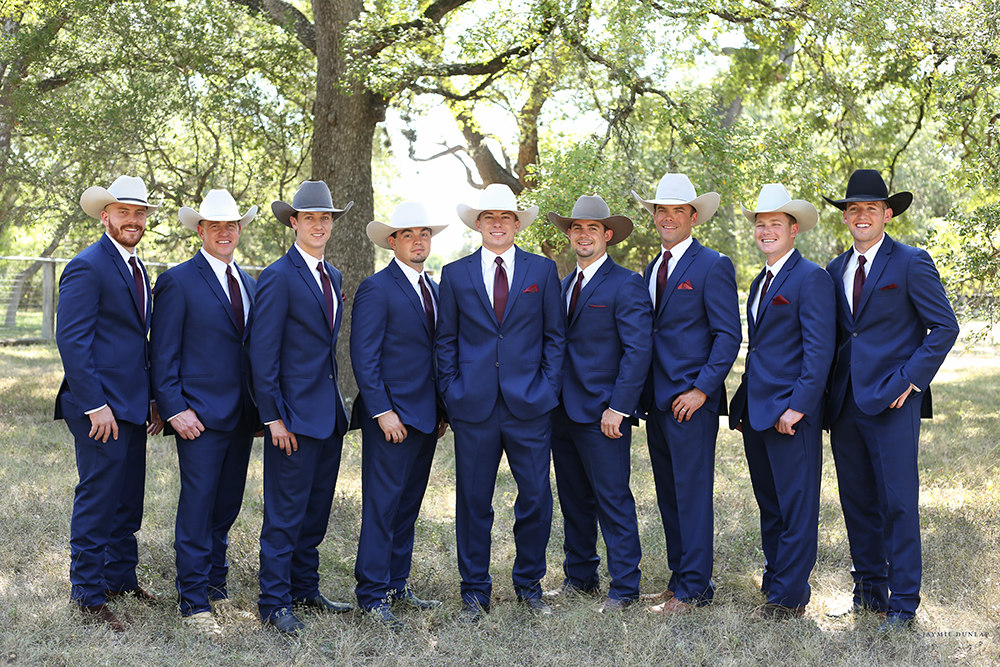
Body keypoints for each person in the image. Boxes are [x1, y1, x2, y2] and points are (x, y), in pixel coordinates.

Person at [824, 169, 958, 632]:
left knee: (898, 503)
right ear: (846, 217)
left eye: (871, 208)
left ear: (887, 214)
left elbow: (944, 327)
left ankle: (903, 605)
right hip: (844, 405)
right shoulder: (835, 268)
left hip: (895, 402)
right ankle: (868, 592)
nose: (861, 215)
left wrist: (911, 379)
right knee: (857, 501)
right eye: (853, 208)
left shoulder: (910, 262)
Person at [436, 183, 566, 622]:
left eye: (505, 217)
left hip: (530, 404)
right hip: (472, 406)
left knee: (535, 498)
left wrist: (547, 388)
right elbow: (446, 340)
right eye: (488, 217)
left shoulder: (542, 272)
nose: (497, 224)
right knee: (474, 502)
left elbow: (555, 337)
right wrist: (451, 391)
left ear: (516, 225)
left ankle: (528, 584)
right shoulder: (454, 274)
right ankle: (474, 591)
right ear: (478, 224)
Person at [56, 175, 164, 632]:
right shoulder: (88, 265)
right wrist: (94, 404)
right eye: (124, 212)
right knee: (99, 498)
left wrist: (153, 399)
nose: (133, 220)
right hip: (98, 409)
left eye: (139, 213)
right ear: (106, 216)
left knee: (127, 501)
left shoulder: (139, 268)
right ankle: (87, 595)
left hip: (133, 405)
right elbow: (72, 340)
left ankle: (120, 578)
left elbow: (139, 342)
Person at [150, 189, 259, 638]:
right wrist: (175, 408)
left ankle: (215, 583)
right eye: (215, 225)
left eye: (232, 225)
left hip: (242, 417)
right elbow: (163, 352)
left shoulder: (251, 282)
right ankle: (193, 600)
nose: (225, 232)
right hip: (197, 417)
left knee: (227, 505)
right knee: (197, 506)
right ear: (200, 230)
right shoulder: (178, 280)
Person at [249, 180, 355, 635]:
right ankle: (273, 602)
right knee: (285, 513)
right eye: (310, 217)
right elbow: (261, 353)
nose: (318, 224)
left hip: (328, 414)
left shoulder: (332, 276)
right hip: (291, 416)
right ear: (293, 222)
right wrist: (272, 417)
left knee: (315, 511)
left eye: (325, 218)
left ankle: (305, 589)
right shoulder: (277, 276)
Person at [633, 173, 741, 614]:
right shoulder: (652, 267)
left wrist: (701, 389)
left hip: (691, 403)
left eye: (678, 210)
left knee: (691, 493)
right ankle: (679, 579)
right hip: (656, 400)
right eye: (662, 210)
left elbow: (727, 335)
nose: (668, 217)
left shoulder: (713, 264)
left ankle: (696, 588)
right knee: (669, 494)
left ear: (693, 216)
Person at [728, 184, 835, 620]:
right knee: (770, 505)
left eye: (775, 224)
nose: (766, 231)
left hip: (792, 413)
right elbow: (761, 351)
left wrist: (799, 405)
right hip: (759, 413)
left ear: (794, 230)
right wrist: (741, 402)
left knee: (796, 508)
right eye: (761, 224)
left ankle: (790, 599)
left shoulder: (811, 277)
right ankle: (776, 582)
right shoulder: (760, 280)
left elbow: (819, 349)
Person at [544, 195, 652, 612]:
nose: (583, 235)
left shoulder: (626, 283)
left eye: (592, 228)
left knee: (612, 498)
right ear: (570, 235)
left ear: (607, 235)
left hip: (605, 413)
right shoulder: (564, 283)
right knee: (573, 498)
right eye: (576, 228)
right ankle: (581, 576)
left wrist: (619, 407)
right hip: (561, 412)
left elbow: (638, 351)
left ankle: (625, 587)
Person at [350, 202, 449, 629]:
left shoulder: (437, 288)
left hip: (427, 418)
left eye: (424, 234)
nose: (418, 241)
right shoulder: (377, 288)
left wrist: (443, 411)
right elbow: (363, 357)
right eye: (408, 235)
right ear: (393, 241)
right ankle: (371, 594)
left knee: (407, 506)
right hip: (390, 419)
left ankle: (395, 584)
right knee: (382, 505)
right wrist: (383, 412)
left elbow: (439, 355)